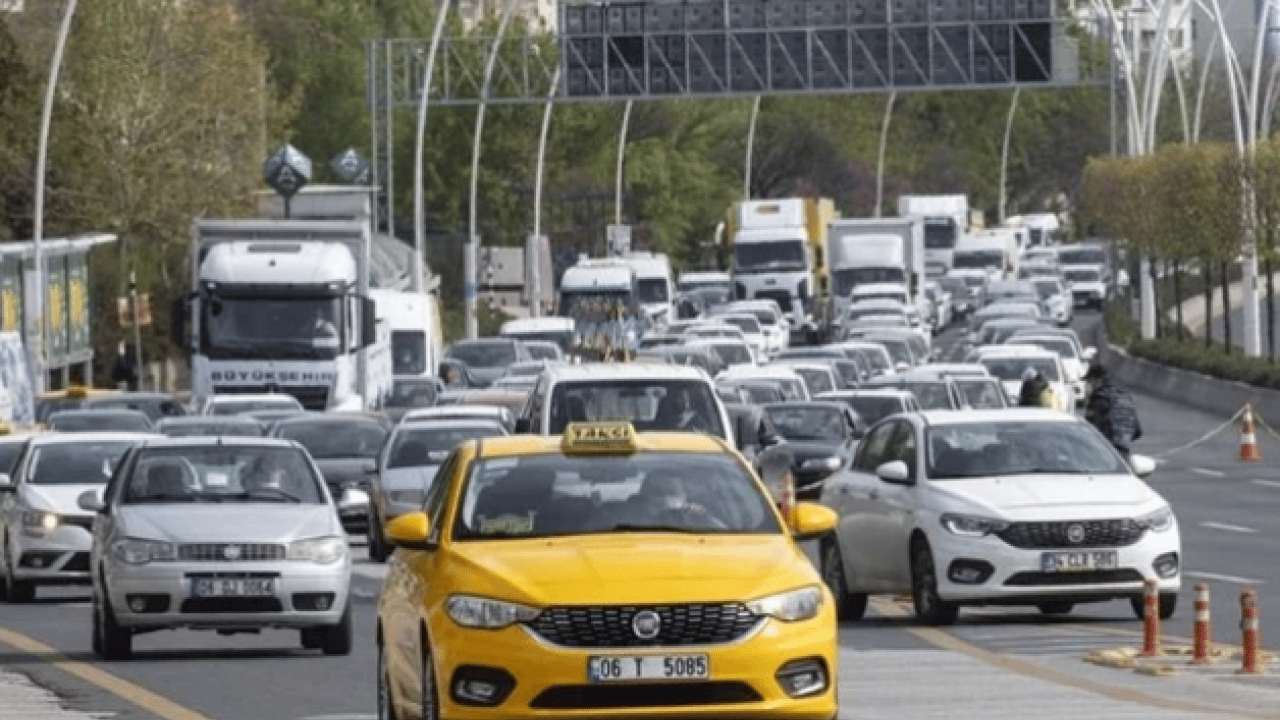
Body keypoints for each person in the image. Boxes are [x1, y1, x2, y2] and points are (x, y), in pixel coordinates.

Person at [1084, 365, 1142, 461]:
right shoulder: (1125, 397)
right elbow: (1137, 432)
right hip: (1123, 457)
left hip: (1102, 456)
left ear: (1096, 380)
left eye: (1090, 381)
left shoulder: (1098, 399)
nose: (1090, 385)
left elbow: (1092, 430)